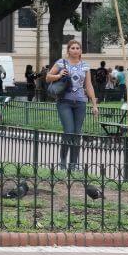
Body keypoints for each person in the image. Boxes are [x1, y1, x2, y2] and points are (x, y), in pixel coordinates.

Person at [45, 39, 99, 171]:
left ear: (81, 51)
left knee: (77, 133)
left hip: (80, 102)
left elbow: (88, 85)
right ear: (68, 50)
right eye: (73, 48)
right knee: (68, 131)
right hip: (64, 101)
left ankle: (73, 164)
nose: (75, 50)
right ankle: (63, 163)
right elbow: (47, 77)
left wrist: (94, 104)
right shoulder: (61, 63)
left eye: (77, 48)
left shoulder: (85, 66)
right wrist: (58, 75)